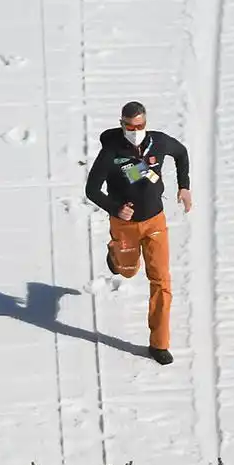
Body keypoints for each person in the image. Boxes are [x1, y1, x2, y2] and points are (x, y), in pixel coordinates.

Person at [85, 102, 192, 364]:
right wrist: (115, 209)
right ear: (122, 124)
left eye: (140, 125)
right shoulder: (111, 153)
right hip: (126, 226)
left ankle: (159, 344)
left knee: (161, 281)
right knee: (128, 270)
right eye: (130, 126)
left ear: (146, 122)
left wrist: (184, 186)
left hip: (155, 222)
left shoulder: (159, 143)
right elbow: (92, 189)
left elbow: (182, 154)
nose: (135, 131)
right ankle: (115, 255)